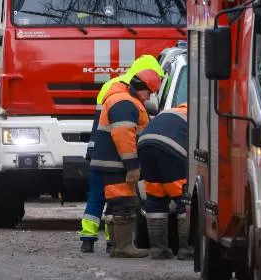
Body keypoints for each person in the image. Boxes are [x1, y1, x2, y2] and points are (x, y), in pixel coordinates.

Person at [78, 55, 165, 253]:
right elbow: (123, 135)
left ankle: (91, 239)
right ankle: (117, 244)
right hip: (115, 161)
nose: (150, 97)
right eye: (149, 92)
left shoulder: (113, 87)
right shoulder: (126, 100)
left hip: (99, 154)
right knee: (119, 201)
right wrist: (132, 164)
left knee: (99, 198)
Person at [137, 102, 191, 260]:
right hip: (171, 148)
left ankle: (158, 250)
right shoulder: (198, 116)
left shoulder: (169, 112)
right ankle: (187, 250)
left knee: (155, 198)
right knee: (184, 200)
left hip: (145, 144)